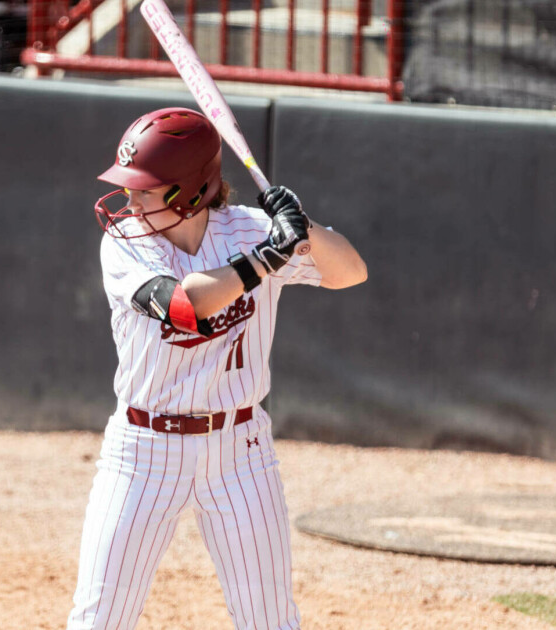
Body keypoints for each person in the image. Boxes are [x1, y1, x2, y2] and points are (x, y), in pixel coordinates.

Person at [67, 108, 368, 629]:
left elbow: (351, 272)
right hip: (143, 450)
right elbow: (185, 308)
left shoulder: (251, 230)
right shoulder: (123, 244)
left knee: (269, 619)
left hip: (241, 451)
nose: (130, 200)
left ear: (187, 192)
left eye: (145, 189)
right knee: (101, 618)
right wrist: (265, 261)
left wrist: (304, 227)